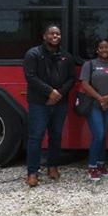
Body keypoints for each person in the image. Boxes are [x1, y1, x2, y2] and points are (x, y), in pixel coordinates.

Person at [23, 24, 75, 187]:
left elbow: (72, 78)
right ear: (44, 36)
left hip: (60, 103)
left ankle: (52, 166)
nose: (55, 36)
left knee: (56, 136)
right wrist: (49, 92)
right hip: (39, 103)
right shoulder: (33, 54)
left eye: (58, 34)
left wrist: (58, 93)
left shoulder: (66, 56)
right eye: (52, 34)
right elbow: (31, 77)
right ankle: (32, 172)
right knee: (36, 137)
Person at [80, 39, 108, 182]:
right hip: (94, 105)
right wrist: (100, 98)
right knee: (99, 135)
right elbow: (84, 84)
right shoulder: (89, 64)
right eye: (101, 47)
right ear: (97, 50)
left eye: (107, 47)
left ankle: (101, 165)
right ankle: (92, 167)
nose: (104, 49)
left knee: (103, 136)